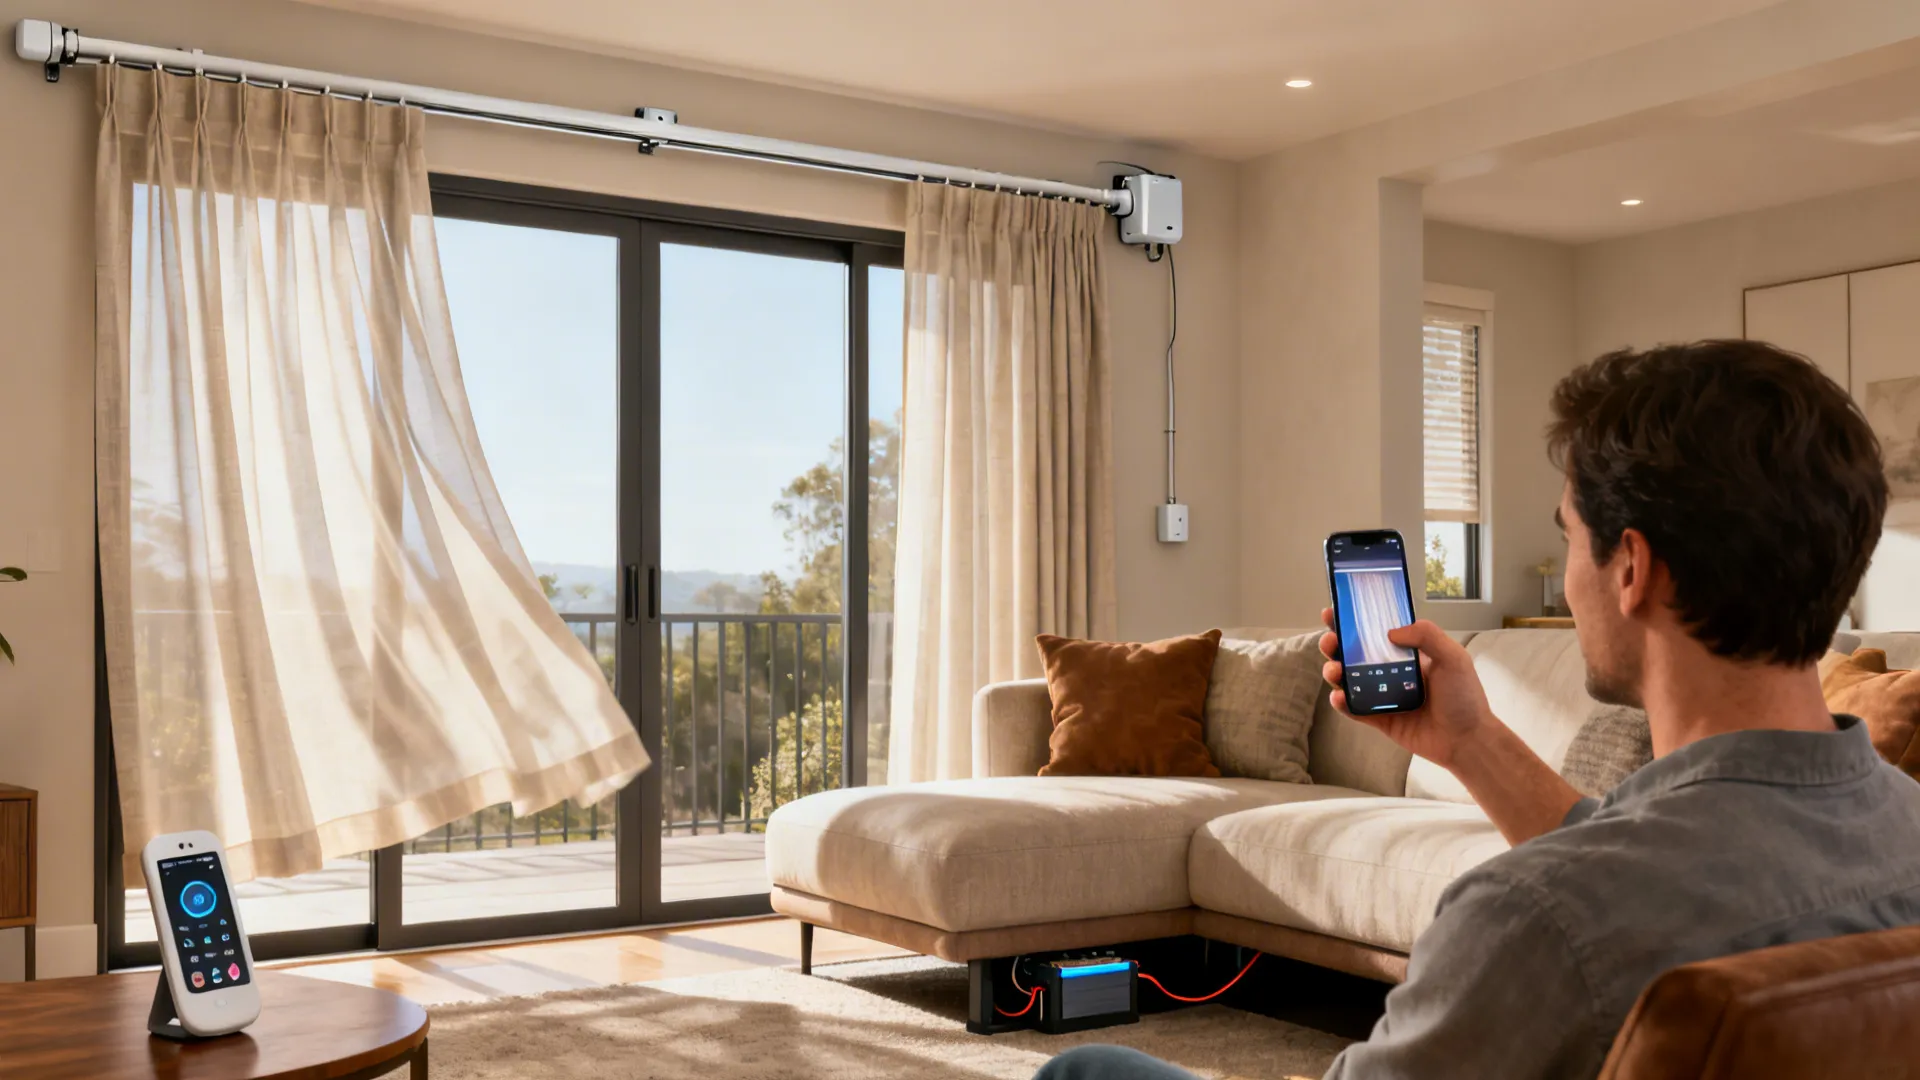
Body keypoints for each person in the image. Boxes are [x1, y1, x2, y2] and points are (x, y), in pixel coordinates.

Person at [1035, 339, 1920, 1080]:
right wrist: (1468, 740)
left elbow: (1598, 894)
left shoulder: (1535, 918)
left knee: (1087, 1070)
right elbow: (1652, 863)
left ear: (1631, 568)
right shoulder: (1898, 831)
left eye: (1570, 537)